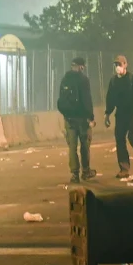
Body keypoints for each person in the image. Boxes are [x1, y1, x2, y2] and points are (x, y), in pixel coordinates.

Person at [104, 55, 133, 180]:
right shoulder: (113, 81)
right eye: (116, 65)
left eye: (120, 64)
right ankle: (124, 169)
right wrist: (107, 114)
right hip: (120, 115)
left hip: (132, 114)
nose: (118, 67)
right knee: (120, 140)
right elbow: (110, 98)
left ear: (125, 65)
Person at [57, 56, 96, 184]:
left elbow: (61, 100)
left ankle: (74, 174)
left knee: (72, 147)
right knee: (85, 146)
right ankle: (86, 171)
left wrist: (66, 114)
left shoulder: (65, 79)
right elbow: (87, 100)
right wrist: (91, 117)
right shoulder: (83, 80)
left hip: (69, 119)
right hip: (82, 120)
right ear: (81, 66)